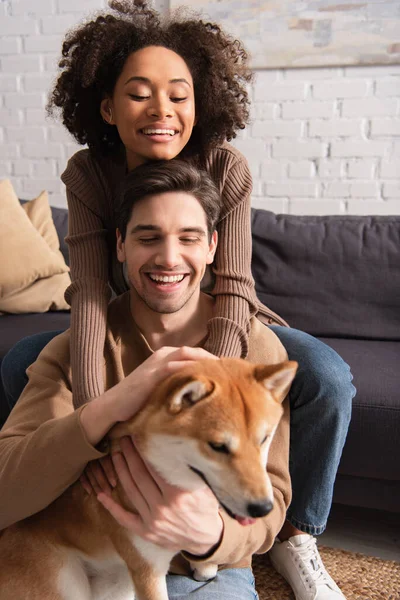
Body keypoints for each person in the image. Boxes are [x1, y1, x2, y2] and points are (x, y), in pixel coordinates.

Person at [0, 2, 355, 598]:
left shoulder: (225, 165)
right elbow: (87, 288)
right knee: (28, 360)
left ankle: (299, 536)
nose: (161, 110)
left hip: (226, 312)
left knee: (325, 374)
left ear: (201, 102)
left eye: (178, 94)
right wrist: (101, 419)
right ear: (108, 107)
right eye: (139, 94)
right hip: (116, 306)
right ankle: (56, 498)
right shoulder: (89, 173)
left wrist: (215, 380)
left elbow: (236, 284)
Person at [0, 160, 292, 599]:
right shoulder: (71, 350)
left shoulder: (258, 352)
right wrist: (108, 408)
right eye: (148, 237)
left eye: (189, 238)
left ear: (213, 246)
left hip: (208, 564)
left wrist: (211, 537)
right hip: (83, 555)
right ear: (120, 246)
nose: (169, 257)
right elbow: (6, 493)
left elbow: (273, 503)